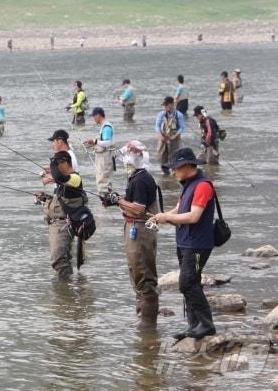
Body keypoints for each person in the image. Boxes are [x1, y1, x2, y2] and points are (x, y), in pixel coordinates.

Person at [148, 147, 217, 340]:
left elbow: (194, 216)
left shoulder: (203, 185)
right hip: (185, 242)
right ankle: (194, 326)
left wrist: (166, 217)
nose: (172, 172)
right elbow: (179, 209)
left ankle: (206, 324)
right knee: (191, 283)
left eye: (175, 168)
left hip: (198, 245)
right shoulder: (187, 184)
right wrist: (163, 216)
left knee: (187, 283)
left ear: (186, 166)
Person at [102, 140, 160, 330]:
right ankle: (141, 315)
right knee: (135, 272)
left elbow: (139, 209)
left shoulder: (142, 178)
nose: (126, 159)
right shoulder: (136, 178)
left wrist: (118, 199)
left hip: (142, 230)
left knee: (143, 274)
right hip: (133, 229)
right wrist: (114, 202)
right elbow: (131, 203)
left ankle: (148, 324)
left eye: (129, 154)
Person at [39, 151, 89, 280]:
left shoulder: (75, 178)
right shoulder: (65, 182)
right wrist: (46, 199)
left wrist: (52, 165)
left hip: (64, 226)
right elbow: (62, 200)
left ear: (65, 162)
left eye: (58, 163)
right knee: (62, 259)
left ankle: (64, 291)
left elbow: (59, 177)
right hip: (57, 225)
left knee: (59, 259)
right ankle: (66, 290)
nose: (56, 167)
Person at [84, 107, 115, 196]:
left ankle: (106, 200)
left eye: (93, 116)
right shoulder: (103, 126)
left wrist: (95, 141)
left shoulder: (106, 127)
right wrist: (92, 143)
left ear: (98, 115)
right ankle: (106, 201)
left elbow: (108, 143)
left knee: (103, 182)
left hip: (105, 159)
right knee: (102, 180)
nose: (93, 119)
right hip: (102, 157)